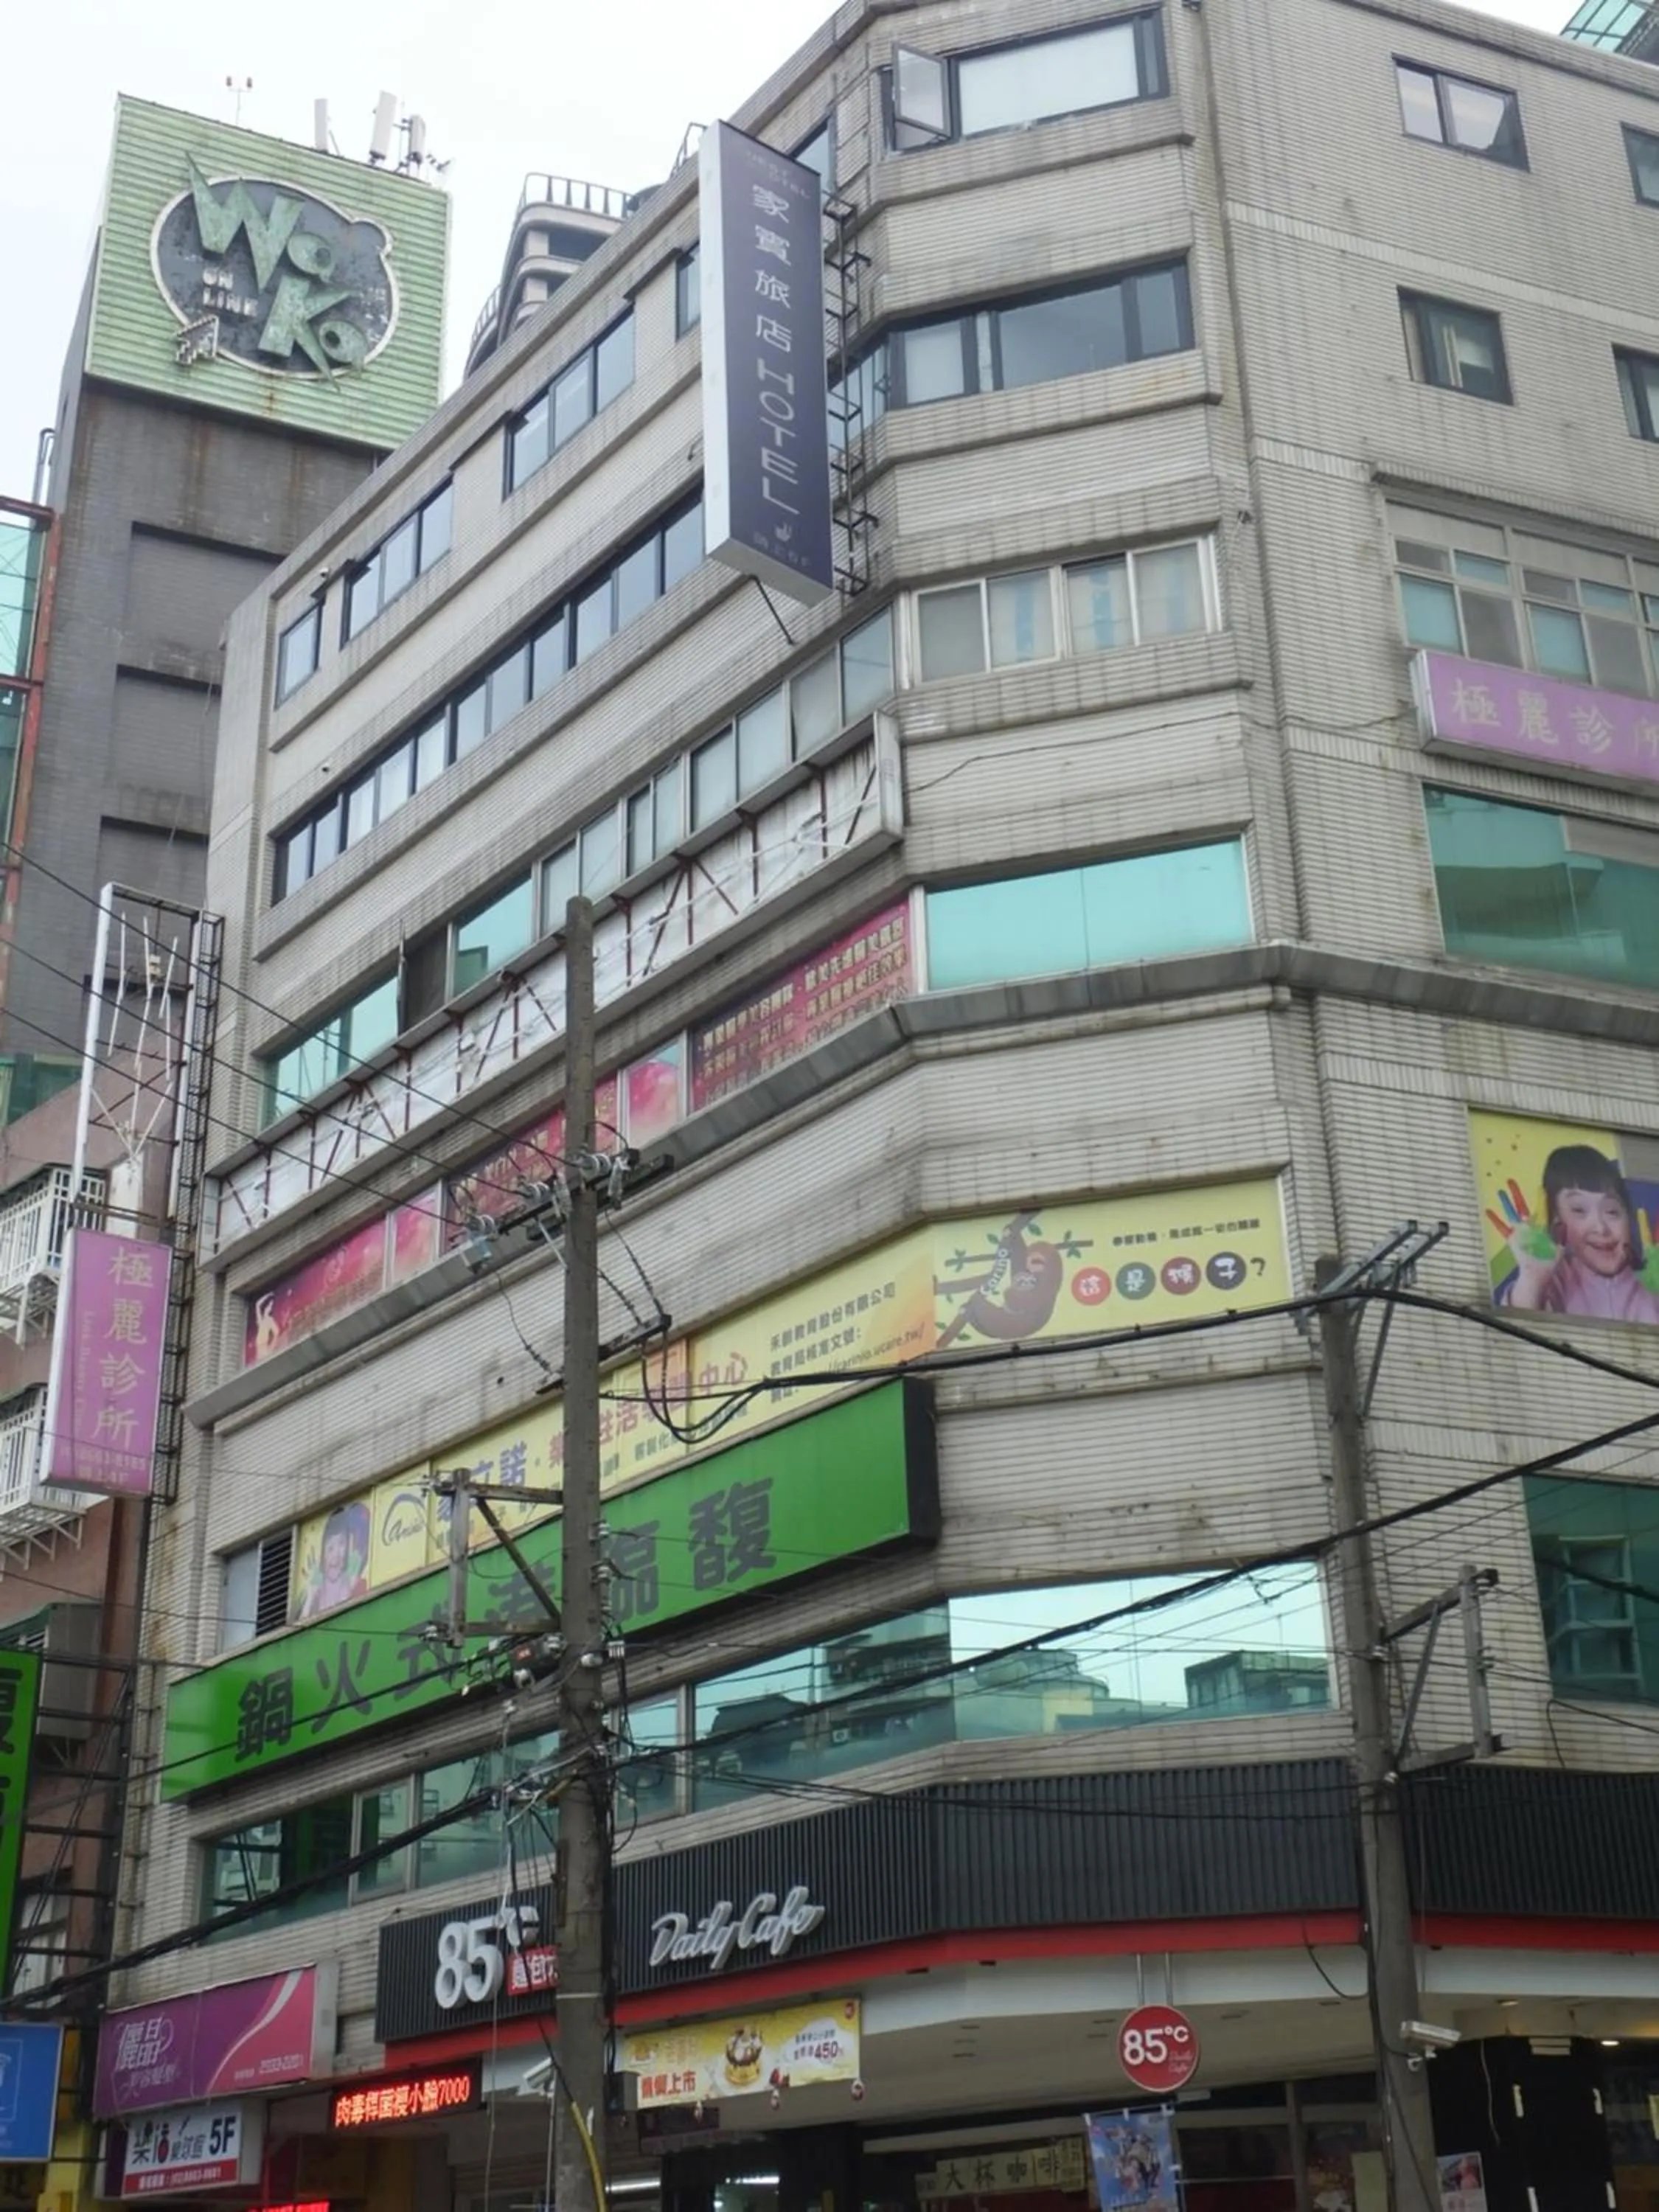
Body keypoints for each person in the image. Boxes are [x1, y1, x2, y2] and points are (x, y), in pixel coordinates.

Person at [1497, 1144, 1659, 1324]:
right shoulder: (1554, 1281)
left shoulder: (1650, 1282)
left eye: (1612, 1212)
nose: (1601, 1228)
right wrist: (1533, 1279)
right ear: (1557, 1222)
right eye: (1579, 1210)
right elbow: (1517, 1333)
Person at [296, 1506, 369, 1618]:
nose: (336, 1555)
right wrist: (310, 1596)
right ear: (323, 1553)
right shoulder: (316, 1590)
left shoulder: (352, 1581)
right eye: (330, 1548)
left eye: (342, 1544)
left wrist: (354, 1586)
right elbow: (299, 1628)